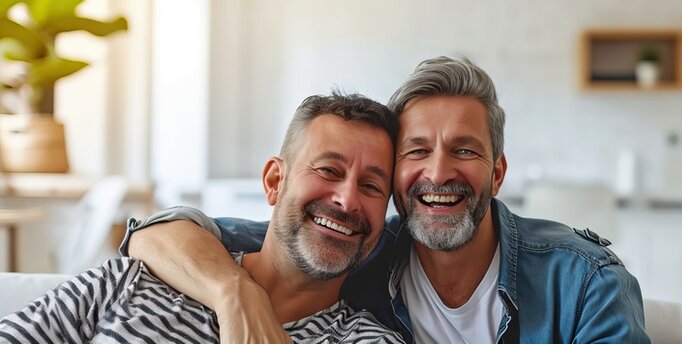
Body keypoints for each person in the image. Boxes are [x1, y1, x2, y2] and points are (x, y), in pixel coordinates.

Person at [125, 57, 650, 343]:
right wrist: (234, 294)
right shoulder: (358, 248)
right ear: (396, 175)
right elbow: (163, 232)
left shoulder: (584, 281)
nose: (439, 172)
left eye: (464, 150)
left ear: (497, 173)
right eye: (417, 150)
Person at [0, 93, 404, 343]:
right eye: (328, 171)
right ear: (274, 181)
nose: (347, 199)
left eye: (371, 187)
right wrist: (236, 295)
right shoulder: (130, 281)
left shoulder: (367, 341)